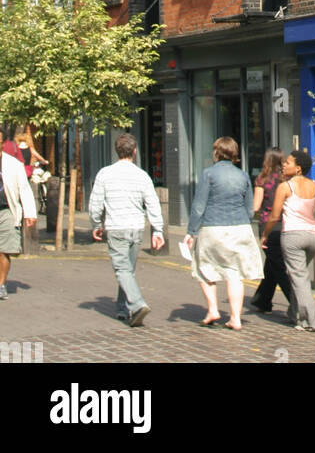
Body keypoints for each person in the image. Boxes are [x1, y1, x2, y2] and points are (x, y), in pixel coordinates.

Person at [183, 136, 263, 330]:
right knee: (234, 272)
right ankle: (235, 317)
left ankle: (213, 309)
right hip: (240, 227)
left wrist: (191, 231)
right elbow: (251, 210)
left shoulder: (208, 174)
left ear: (216, 153)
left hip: (213, 227)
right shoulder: (243, 175)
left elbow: (199, 206)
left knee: (205, 269)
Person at [89, 132, 165, 327]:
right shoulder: (142, 175)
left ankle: (138, 304)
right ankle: (124, 309)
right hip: (137, 228)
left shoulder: (105, 173)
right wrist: (157, 230)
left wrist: (96, 225)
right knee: (128, 270)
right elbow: (153, 203)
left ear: (117, 151)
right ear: (134, 151)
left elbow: (95, 204)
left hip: (116, 227)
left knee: (122, 269)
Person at [262, 148, 315, 332]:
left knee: (299, 278)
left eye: (288, 162)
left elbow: (274, 216)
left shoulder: (285, 187)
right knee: (297, 275)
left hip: (293, 236)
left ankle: (311, 321)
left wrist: (265, 235)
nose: (284, 165)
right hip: (313, 237)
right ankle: (293, 313)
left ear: (298, 168)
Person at [249, 147, 294, 315]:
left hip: (268, 225)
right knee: (272, 264)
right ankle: (263, 300)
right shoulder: (287, 179)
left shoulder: (262, 179)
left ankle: (295, 302)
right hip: (286, 224)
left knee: (277, 266)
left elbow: (255, 206)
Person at [0, 147, 38, 299]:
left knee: (4, 249)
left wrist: (30, 213)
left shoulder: (13, 164)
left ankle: (1, 284)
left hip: (7, 210)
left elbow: (24, 188)